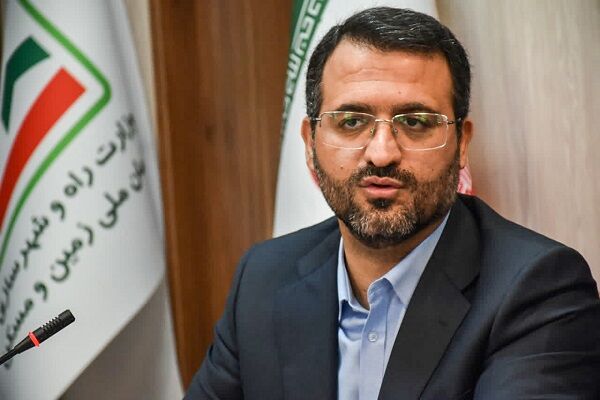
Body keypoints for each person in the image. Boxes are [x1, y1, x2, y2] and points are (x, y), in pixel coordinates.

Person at [185, 7, 600, 400]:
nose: (381, 153)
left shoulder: (539, 289)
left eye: (415, 122)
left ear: (461, 144)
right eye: (351, 121)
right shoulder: (264, 278)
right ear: (310, 144)